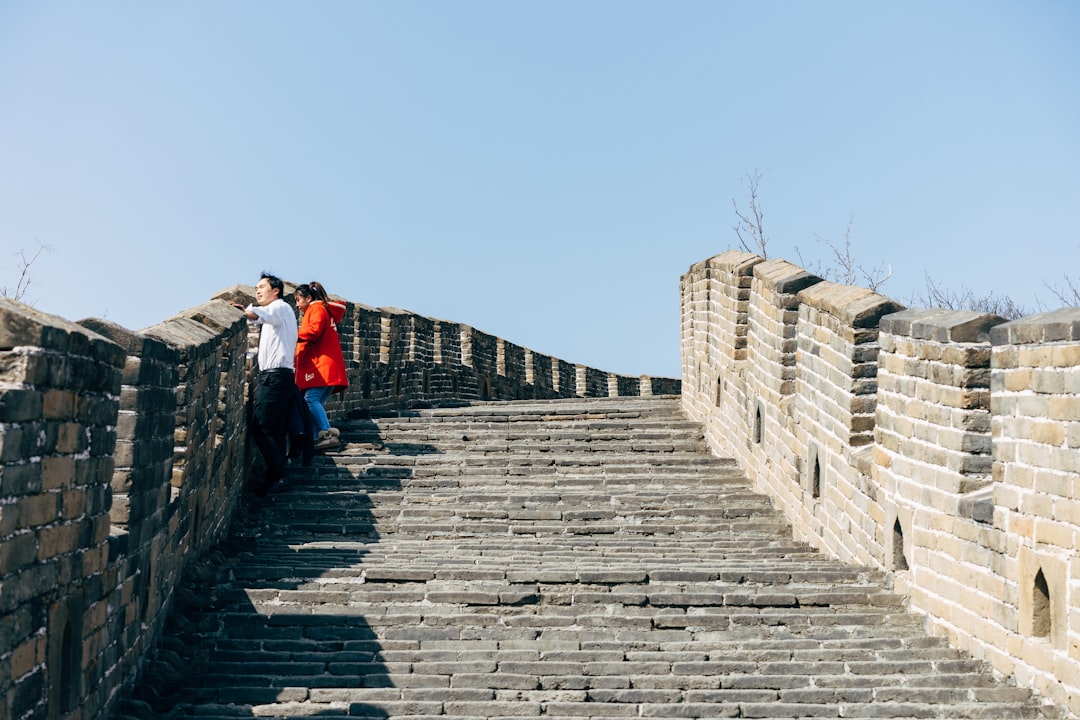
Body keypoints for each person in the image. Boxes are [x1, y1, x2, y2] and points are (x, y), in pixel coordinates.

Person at [231, 272, 299, 495]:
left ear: (276, 290)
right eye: (256, 288)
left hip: (276, 376)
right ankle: (275, 476)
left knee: (260, 427)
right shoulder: (278, 314)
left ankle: (280, 474)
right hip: (279, 376)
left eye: (262, 287)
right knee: (275, 430)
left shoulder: (280, 307)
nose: (258, 291)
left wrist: (245, 312)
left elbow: (261, 315)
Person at [294, 281, 348, 451]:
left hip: (321, 366)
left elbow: (314, 331)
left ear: (308, 298)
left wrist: (291, 334)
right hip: (327, 365)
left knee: (310, 400)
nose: (297, 305)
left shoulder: (316, 308)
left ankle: (326, 434)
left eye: (298, 300)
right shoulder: (322, 309)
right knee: (315, 402)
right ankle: (319, 438)